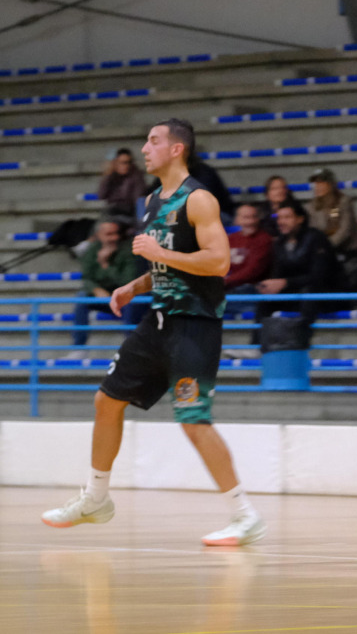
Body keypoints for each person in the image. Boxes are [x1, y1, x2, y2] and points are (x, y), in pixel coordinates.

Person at [41, 118, 265, 546]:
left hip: (194, 325)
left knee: (193, 421)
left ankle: (245, 515)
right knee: (107, 400)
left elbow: (218, 262)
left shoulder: (198, 199)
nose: (145, 148)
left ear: (176, 149)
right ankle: (95, 499)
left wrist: (159, 252)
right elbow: (168, 266)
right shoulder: (150, 202)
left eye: (153, 141)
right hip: (158, 321)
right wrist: (135, 285)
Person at [65, 219, 145, 359]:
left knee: (132, 302)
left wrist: (105, 264)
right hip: (103, 296)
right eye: (109, 234)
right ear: (99, 235)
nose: (114, 238)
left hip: (123, 296)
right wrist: (96, 289)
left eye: (115, 233)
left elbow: (126, 281)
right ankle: (79, 347)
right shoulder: (92, 250)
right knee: (82, 298)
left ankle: (131, 348)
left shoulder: (127, 250)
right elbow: (86, 278)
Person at [255, 200, 343, 325]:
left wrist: (286, 282)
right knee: (265, 297)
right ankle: (259, 336)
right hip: (295, 293)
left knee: (309, 292)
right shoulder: (279, 243)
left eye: (287, 217)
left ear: (300, 219)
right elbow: (278, 274)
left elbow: (320, 276)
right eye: (279, 218)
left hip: (325, 294)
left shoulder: (316, 238)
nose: (281, 222)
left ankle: (302, 335)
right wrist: (271, 285)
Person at [306, 167, 357, 259]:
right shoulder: (312, 206)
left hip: (347, 250)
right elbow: (313, 230)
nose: (318, 186)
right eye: (316, 183)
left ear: (330, 184)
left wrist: (327, 245)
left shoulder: (343, 202)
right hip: (324, 251)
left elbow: (345, 230)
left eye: (321, 183)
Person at [225, 203, 272, 291]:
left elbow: (253, 270)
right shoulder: (231, 239)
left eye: (254, 217)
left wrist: (226, 281)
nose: (251, 222)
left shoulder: (263, 239)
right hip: (229, 284)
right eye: (246, 218)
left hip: (252, 286)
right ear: (237, 220)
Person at [97, 148, 146, 220]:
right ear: (115, 163)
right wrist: (108, 174)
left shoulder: (136, 177)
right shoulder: (111, 176)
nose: (126, 166)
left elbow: (137, 199)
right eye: (122, 163)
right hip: (112, 212)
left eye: (128, 162)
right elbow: (101, 195)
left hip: (129, 213)